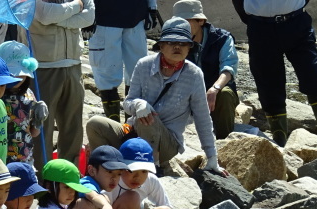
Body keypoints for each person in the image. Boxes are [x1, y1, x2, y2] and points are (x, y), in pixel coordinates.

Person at [85, 17, 226, 177]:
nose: (177, 47)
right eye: (172, 42)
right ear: (161, 46)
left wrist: (212, 156)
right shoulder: (143, 65)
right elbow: (128, 103)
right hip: (132, 132)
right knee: (95, 124)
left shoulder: (194, 74)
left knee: (147, 119)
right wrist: (138, 104)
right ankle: (103, 170)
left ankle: (151, 171)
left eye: (183, 43)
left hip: (167, 144)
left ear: (189, 48)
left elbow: (202, 117)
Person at [232, 0, 317, 146]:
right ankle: (279, 138)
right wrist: (253, 18)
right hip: (260, 27)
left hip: (296, 22)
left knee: (310, 71)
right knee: (267, 80)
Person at [18, 0, 94, 174]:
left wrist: (58, 16)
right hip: (43, 67)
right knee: (40, 126)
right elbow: (45, 15)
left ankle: (69, 178)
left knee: (73, 127)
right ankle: (41, 179)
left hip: (74, 65)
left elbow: (89, 17)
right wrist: (76, 6)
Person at [86, 0, 162, 122]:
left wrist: (152, 8)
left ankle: (132, 127)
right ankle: (113, 128)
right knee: (106, 74)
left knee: (138, 72)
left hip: (135, 18)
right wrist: (87, 12)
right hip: (103, 18)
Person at [173, 0, 239, 140]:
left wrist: (215, 89)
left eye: (186, 22)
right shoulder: (173, 41)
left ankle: (224, 141)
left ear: (200, 21)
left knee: (226, 94)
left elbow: (228, 68)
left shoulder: (222, 39)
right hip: (186, 94)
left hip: (216, 93)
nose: (182, 27)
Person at [0, 41, 46, 165]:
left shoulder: (29, 94)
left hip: (25, 159)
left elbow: (34, 133)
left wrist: (39, 120)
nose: (16, 78)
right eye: (12, 74)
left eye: (20, 74)